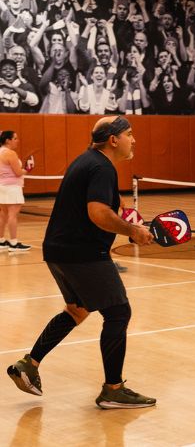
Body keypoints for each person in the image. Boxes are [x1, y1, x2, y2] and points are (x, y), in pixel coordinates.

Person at [7, 116, 157, 409]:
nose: (133, 139)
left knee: (77, 309)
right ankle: (113, 389)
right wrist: (133, 232)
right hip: (83, 254)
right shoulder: (102, 167)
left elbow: (100, 205)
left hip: (58, 252)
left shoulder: (87, 161)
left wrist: (121, 212)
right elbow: (97, 212)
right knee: (118, 313)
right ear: (113, 140)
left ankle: (29, 364)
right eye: (129, 133)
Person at [0, 131, 32, 252]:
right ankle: (13, 243)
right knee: (12, 215)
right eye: (15, 138)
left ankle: (1, 241)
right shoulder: (10, 153)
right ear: (8, 140)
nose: (17, 140)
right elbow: (18, 172)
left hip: (2, 186)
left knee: (3, 214)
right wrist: (28, 169)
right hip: (12, 187)